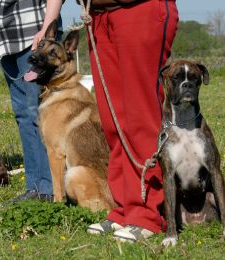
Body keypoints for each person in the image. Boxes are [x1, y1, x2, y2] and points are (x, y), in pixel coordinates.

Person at [81, 0, 178, 242]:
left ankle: (149, 212)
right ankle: (124, 206)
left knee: (140, 114)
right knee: (113, 120)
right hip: (99, 14)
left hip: (139, 8)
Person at [0, 0, 63, 202]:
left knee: (41, 115)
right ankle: (34, 187)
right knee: (24, 116)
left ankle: (51, 189)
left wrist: (47, 28)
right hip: (7, 39)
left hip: (34, 34)